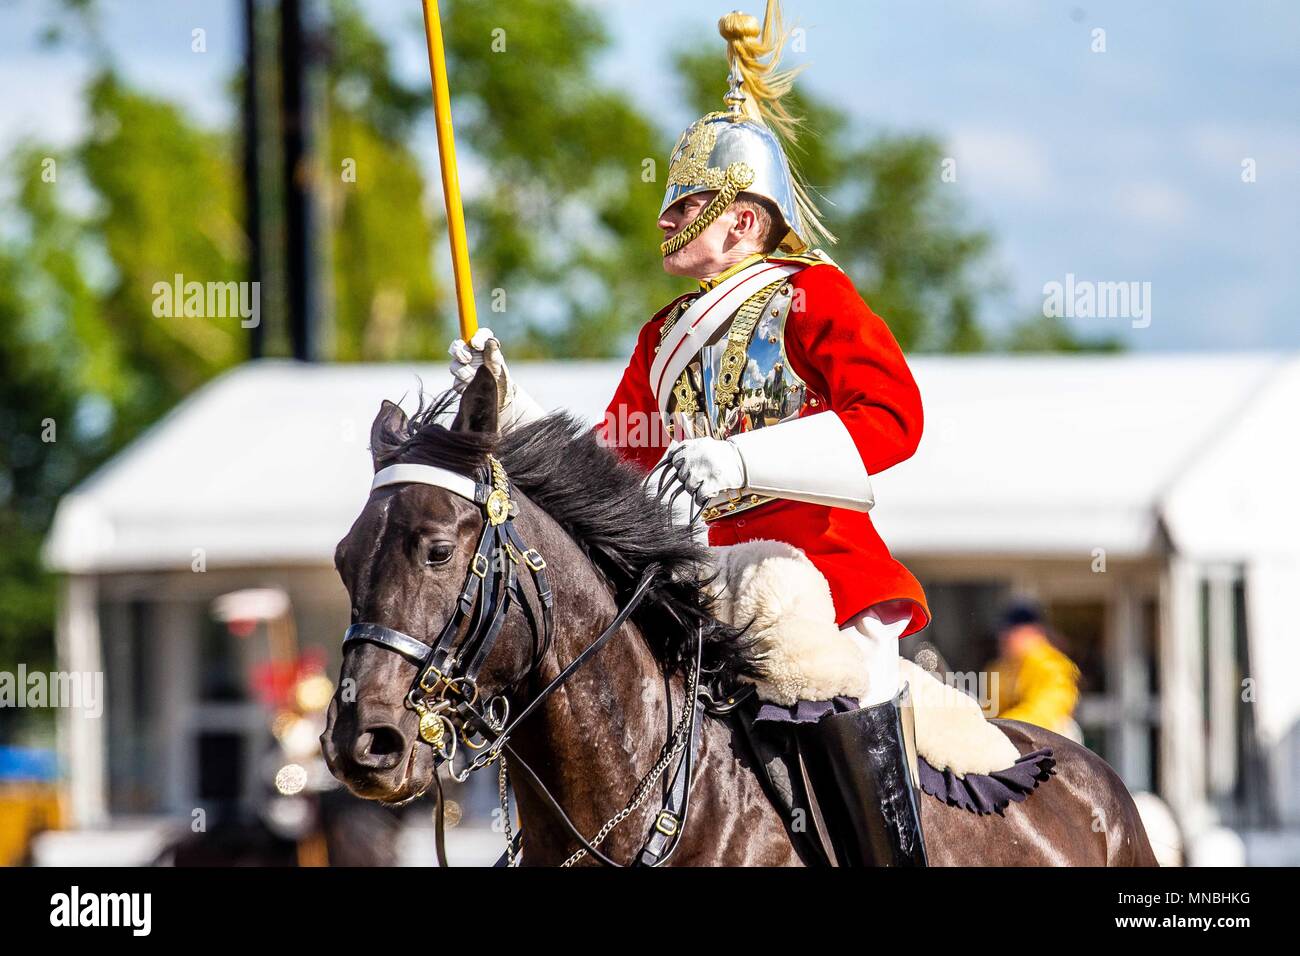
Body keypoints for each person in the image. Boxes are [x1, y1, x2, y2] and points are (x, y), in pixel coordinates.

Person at [450, 1, 930, 865]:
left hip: (822, 576)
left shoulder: (809, 296)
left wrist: (739, 456)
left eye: (687, 205)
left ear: (743, 220)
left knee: (834, 693)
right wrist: (508, 404)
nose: (665, 220)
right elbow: (605, 469)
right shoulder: (663, 337)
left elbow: (894, 420)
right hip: (706, 584)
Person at [988, 601, 1082, 737]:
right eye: (1004, 633)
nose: (1003, 638)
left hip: (1048, 745)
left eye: (1011, 633)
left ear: (1033, 632)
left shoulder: (1052, 665)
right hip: (1014, 738)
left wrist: (996, 726)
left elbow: (1044, 715)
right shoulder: (1001, 668)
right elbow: (990, 710)